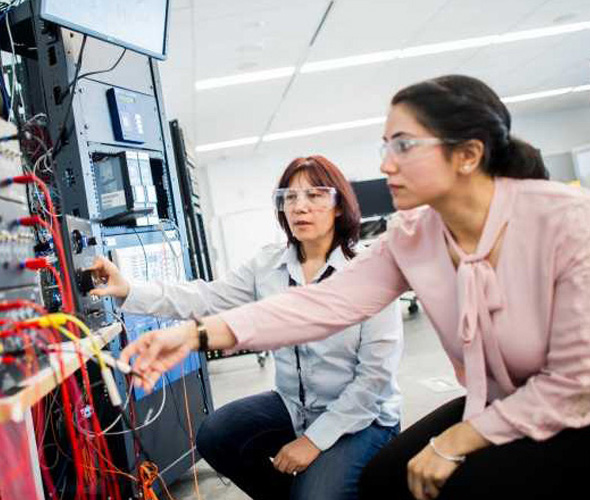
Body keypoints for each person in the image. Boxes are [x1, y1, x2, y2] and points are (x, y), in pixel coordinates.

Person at [118, 74, 590, 500]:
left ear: (468, 154)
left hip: (573, 414)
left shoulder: (567, 225)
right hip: (499, 403)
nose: (385, 165)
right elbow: (318, 305)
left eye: (403, 146)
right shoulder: (414, 236)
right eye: (385, 146)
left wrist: (455, 442)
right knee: (388, 479)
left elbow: (575, 387)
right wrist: (192, 335)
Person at [90, 155, 403, 500]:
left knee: (315, 494)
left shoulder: (368, 271)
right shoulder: (267, 265)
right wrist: (129, 290)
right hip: (295, 406)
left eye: (314, 195)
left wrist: (314, 442)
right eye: (290, 197)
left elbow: (374, 380)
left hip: (362, 416)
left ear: (339, 205)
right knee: (216, 435)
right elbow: (206, 297)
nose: (300, 207)